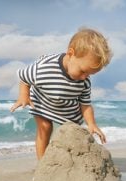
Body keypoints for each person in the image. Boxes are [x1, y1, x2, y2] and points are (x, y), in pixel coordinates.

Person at [10, 28, 112, 159]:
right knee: (45, 128)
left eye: (89, 74)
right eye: (82, 71)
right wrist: (23, 96)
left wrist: (91, 124)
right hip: (43, 101)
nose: (84, 77)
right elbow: (24, 78)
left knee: (73, 134)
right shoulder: (43, 67)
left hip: (68, 109)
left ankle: (68, 160)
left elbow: (85, 104)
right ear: (71, 53)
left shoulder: (84, 81)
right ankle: (42, 163)